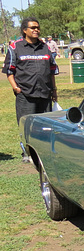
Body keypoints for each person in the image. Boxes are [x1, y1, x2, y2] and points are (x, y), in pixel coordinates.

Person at [3, 17, 58, 162]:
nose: (36, 30)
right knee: (26, 125)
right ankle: (27, 153)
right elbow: (9, 70)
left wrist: (54, 89)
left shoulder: (45, 47)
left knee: (45, 125)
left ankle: (44, 152)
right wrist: (16, 88)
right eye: (33, 28)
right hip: (25, 94)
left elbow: (52, 69)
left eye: (38, 27)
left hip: (45, 93)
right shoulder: (15, 47)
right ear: (24, 30)